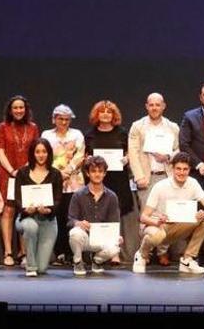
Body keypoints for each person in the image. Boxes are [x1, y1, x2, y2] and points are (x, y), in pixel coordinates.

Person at [134, 152, 204, 275]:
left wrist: (203, 214)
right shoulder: (160, 186)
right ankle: (141, 255)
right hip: (157, 226)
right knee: (158, 235)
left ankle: (187, 260)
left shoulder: (193, 183)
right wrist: (156, 221)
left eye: (185, 169)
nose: (181, 172)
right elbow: (143, 217)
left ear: (189, 170)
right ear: (172, 169)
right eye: (178, 168)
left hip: (178, 227)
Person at [127, 93, 180, 266]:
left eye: (158, 105)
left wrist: (168, 156)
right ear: (146, 106)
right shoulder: (137, 126)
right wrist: (139, 176)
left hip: (166, 176)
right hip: (146, 178)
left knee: (165, 216)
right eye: (151, 105)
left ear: (164, 106)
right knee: (147, 216)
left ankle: (162, 252)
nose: (154, 108)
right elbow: (133, 152)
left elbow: (178, 149)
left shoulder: (172, 127)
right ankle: (146, 251)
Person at [84, 100, 137, 263]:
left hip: (118, 180)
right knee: (98, 213)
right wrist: (87, 159)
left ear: (114, 115)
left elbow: (131, 154)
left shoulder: (122, 133)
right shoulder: (90, 134)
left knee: (115, 215)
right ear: (96, 114)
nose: (106, 114)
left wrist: (127, 158)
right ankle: (99, 250)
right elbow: (85, 157)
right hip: (97, 180)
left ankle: (114, 252)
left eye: (109, 111)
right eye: (102, 111)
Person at [0, 95, 39, 266]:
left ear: (26, 109)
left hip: (27, 173)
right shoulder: (3, 127)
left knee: (25, 211)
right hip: (8, 174)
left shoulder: (33, 127)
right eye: (15, 108)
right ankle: (8, 252)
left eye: (21, 107)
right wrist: (12, 170)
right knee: (8, 211)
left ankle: (24, 252)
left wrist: (24, 170)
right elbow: (0, 151)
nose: (19, 111)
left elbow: (37, 150)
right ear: (10, 110)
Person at [42, 104, 85, 266]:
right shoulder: (47, 134)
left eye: (67, 119)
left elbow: (80, 154)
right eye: (60, 119)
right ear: (54, 119)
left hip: (74, 181)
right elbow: (43, 154)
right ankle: (58, 252)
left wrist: (68, 170)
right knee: (57, 216)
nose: (64, 122)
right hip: (53, 180)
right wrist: (58, 174)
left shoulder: (77, 134)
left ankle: (72, 252)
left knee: (72, 215)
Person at [67, 155, 123, 276]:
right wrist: (79, 223)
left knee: (116, 247)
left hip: (101, 238)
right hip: (84, 237)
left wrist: (116, 236)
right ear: (87, 173)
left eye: (100, 171)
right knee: (74, 232)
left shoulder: (112, 196)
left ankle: (96, 261)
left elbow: (114, 222)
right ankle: (78, 261)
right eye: (93, 171)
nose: (97, 174)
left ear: (104, 173)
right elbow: (70, 220)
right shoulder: (78, 195)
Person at [15, 138, 62, 276]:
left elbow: (58, 200)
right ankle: (30, 267)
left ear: (49, 154)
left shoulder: (55, 174)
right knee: (30, 227)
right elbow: (17, 199)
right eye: (37, 152)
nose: (41, 155)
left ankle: (34, 262)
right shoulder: (22, 173)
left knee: (42, 268)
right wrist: (25, 209)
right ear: (32, 154)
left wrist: (48, 210)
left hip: (48, 220)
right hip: (26, 218)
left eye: (44, 152)